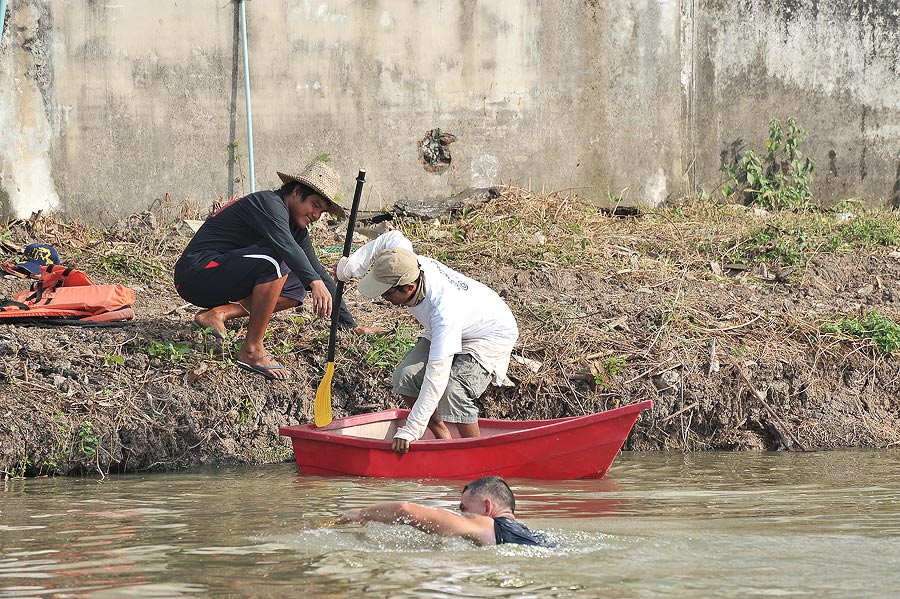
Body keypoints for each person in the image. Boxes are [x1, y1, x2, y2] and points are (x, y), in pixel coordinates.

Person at [174, 158, 372, 380]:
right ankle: (251, 349)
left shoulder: (297, 230)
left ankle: (217, 314)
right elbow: (286, 248)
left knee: (297, 286)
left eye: (322, 212)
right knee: (277, 260)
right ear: (296, 192)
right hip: (196, 274)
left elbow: (318, 272)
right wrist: (314, 283)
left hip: (222, 278)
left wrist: (349, 323)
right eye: (315, 205)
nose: (316, 216)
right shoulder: (268, 203)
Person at [335, 230, 519, 454]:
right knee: (405, 377)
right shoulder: (404, 259)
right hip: (459, 323)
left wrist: (411, 429)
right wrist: (350, 268)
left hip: (490, 334)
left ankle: (477, 455)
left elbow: (436, 378)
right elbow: (390, 236)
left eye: (387, 294)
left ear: (408, 288)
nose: (384, 299)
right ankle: (442, 435)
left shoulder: (444, 311)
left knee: (454, 390)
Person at [336, 476, 552, 547]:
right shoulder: (527, 534)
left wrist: (361, 513)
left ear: (487, 507)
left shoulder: (488, 525)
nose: (461, 515)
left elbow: (406, 510)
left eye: (464, 509)